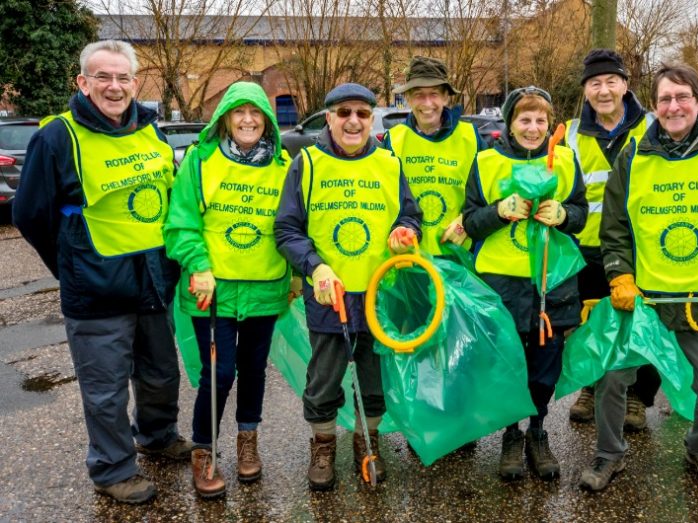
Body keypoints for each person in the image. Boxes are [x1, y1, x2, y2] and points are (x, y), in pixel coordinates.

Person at [12, 40, 190, 504]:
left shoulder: (152, 131)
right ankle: (112, 469)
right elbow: (30, 214)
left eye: (123, 77)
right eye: (103, 77)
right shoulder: (58, 137)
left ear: (135, 82)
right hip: (94, 289)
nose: (114, 87)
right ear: (83, 83)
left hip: (153, 280)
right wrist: (70, 265)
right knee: (105, 389)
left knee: (161, 374)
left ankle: (157, 435)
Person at [579, 63, 698, 491]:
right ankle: (609, 455)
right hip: (644, 303)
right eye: (665, 98)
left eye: (683, 96)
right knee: (610, 379)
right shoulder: (634, 157)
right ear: (655, 106)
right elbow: (615, 228)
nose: (674, 105)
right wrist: (619, 276)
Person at [274, 83, 422, 491]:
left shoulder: (390, 164)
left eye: (361, 113)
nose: (353, 121)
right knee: (324, 378)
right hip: (330, 293)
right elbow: (286, 229)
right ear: (328, 118)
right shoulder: (307, 163)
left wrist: (405, 232)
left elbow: (411, 216)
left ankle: (367, 439)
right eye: (344, 113)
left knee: (374, 380)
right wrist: (314, 266)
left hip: (379, 292)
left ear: (371, 118)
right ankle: (323, 445)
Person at [163, 82, 292, 498]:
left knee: (254, 371)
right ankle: (205, 450)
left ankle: (247, 440)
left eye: (255, 113)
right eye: (238, 113)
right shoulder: (200, 161)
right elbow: (181, 222)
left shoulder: (284, 165)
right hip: (212, 292)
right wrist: (198, 264)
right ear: (224, 118)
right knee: (218, 373)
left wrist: (297, 277)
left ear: (267, 120)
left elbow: (294, 225)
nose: (248, 120)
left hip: (264, 289)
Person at [463, 86, 587, 480]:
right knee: (509, 364)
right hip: (502, 284)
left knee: (544, 365)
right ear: (510, 123)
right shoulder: (486, 162)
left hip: (553, 285)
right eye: (524, 120)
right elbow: (469, 221)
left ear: (550, 125)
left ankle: (537, 431)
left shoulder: (565, 160)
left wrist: (565, 214)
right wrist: (498, 211)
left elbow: (582, 214)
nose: (533, 128)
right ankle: (511, 434)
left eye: (540, 121)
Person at [565, 49, 661, 431]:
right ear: (586, 90)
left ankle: (636, 397)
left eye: (610, 81)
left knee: (642, 324)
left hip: (642, 248)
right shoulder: (570, 133)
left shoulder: (652, 127)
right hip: (587, 248)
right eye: (594, 83)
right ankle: (591, 387)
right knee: (592, 323)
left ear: (624, 85)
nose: (603, 90)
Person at [383, 55, 485, 255]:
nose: (427, 102)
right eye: (419, 94)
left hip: (459, 255)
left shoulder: (471, 137)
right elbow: (384, 200)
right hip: (408, 259)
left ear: (446, 97)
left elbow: (491, 194)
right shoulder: (393, 141)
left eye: (434, 94)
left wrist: (466, 220)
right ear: (408, 99)